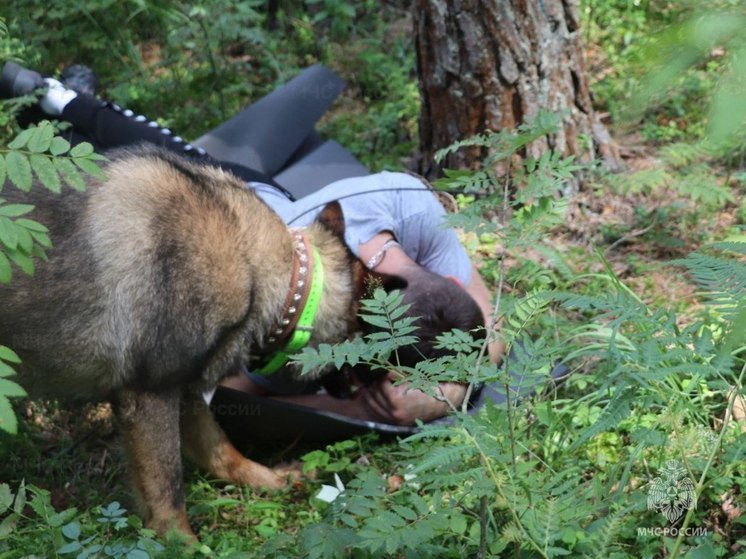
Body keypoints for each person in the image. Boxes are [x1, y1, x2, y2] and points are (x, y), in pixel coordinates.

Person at [2, 64, 504, 426]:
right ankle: (63, 99)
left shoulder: (306, 333)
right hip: (241, 202)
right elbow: (208, 391)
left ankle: (60, 121)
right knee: (160, 154)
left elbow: (486, 316)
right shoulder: (395, 206)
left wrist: (434, 390)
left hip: (271, 240)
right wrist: (373, 404)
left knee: (85, 171)